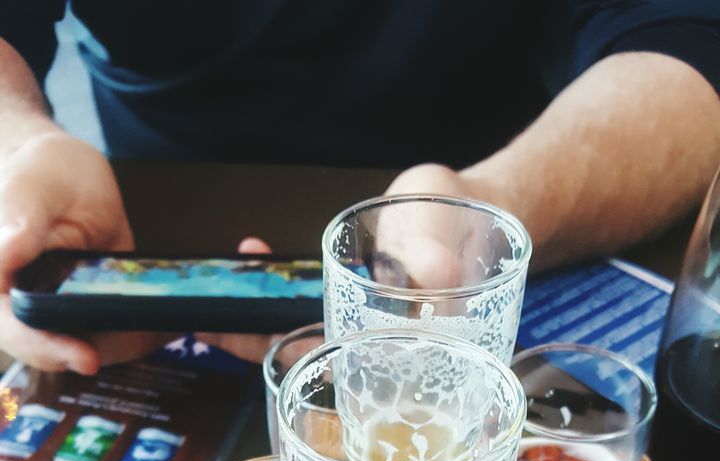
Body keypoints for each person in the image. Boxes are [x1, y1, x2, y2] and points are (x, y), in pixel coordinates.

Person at [0, 1, 718, 374]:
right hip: (136, 217)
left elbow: (688, 36)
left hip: (501, 212)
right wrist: (19, 146)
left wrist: (488, 214)